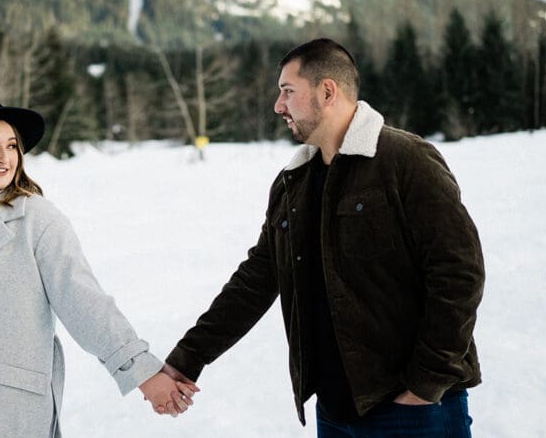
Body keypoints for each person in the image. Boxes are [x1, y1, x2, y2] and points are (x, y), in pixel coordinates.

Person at [162, 38, 484, 437]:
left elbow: (459, 274)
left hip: (414, 409)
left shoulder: (405, 160)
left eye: (288, 91)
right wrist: (187, 358)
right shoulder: (292, 184)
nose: (279, 106)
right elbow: (257, 280)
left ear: (327, 91)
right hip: (334, 412)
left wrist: (424, 385)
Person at [0, 95, 195, 437]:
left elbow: (84, 302)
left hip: (0, 411)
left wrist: (141, 372)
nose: (5, 157)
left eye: (13, 146)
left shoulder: (34, 218)